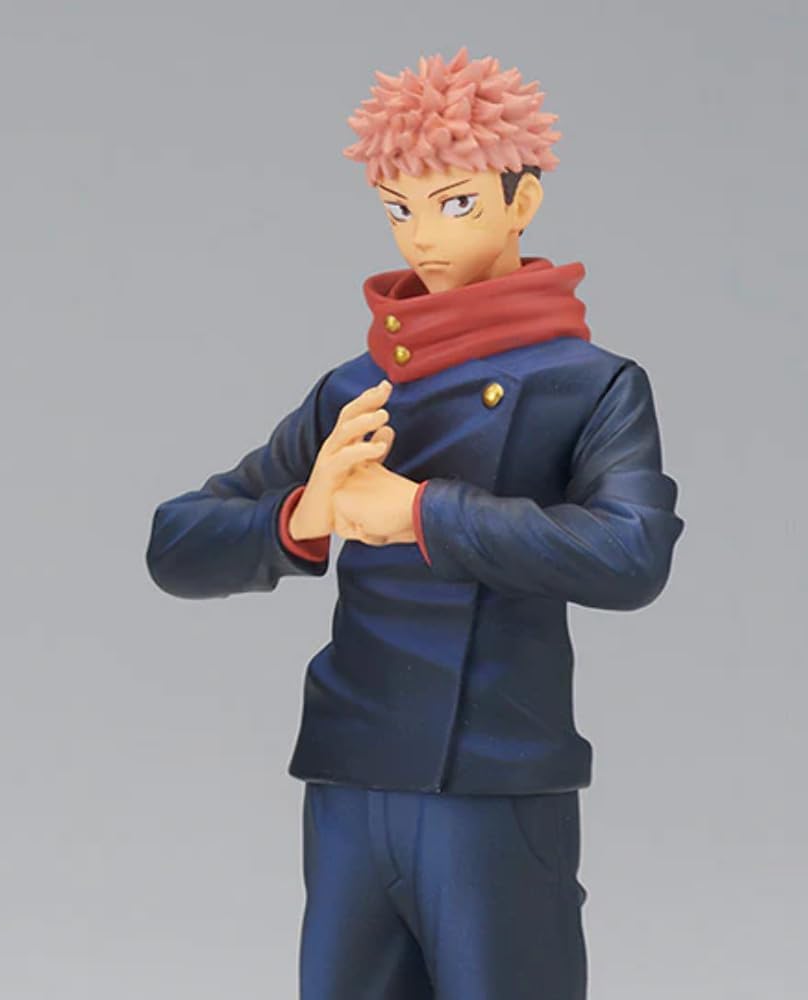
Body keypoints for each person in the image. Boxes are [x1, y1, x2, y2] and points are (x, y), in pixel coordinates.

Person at [145, 45, 685, 1000]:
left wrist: (424, 512)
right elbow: (178, 544)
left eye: (455, 203)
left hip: (493, 777)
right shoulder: (354, 388)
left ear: (522, 202)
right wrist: (304, 514)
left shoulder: (588, 384)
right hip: (351, 769)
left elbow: (630, 553)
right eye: (399, 210)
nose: (422, 238)